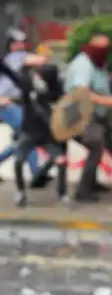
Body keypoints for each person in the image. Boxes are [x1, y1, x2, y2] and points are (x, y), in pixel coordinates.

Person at [63, 34, 112, 202]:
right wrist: (107, 100)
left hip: (97, 115)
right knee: (96, 145)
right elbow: (81, 92)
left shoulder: (98, 62)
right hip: (80, 116)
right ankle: (83, 191)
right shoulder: (83, 65)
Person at [12, 63, 68, 207]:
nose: (37, 77)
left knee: (61, 161)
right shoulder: (28, 84)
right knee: (18, 161)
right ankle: (20, 192)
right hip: (29, 132)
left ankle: (62, 193)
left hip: (46, 135)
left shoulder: (54, 92)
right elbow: (14, 76)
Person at [0, 28, 44, 181]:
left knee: (23, 139)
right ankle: (36, 172)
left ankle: (36, 172)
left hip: (13, 104)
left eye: (23, 42)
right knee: (28, 135)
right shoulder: (16, 57)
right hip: (7, 103)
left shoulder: (12, 60)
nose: (21, 45)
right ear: (11, 45)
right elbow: (41, 60)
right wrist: (43, 49)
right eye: (18, 43)